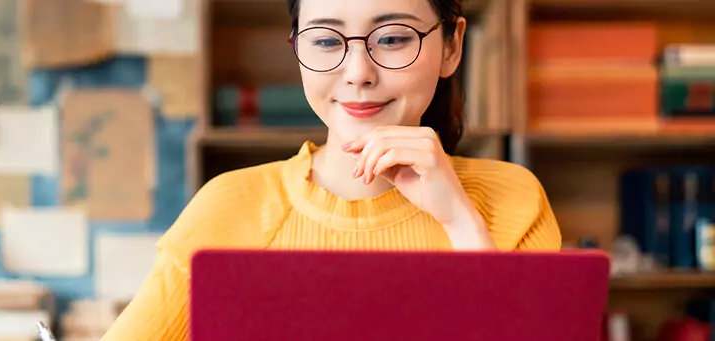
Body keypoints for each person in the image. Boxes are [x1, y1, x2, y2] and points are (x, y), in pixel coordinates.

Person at [100, 0, 562, 339]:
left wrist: (461, 223)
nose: (358, 71)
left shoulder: (512, 199)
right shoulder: (229, 206)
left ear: (451, 46)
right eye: (325, 40)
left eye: (393, 37)